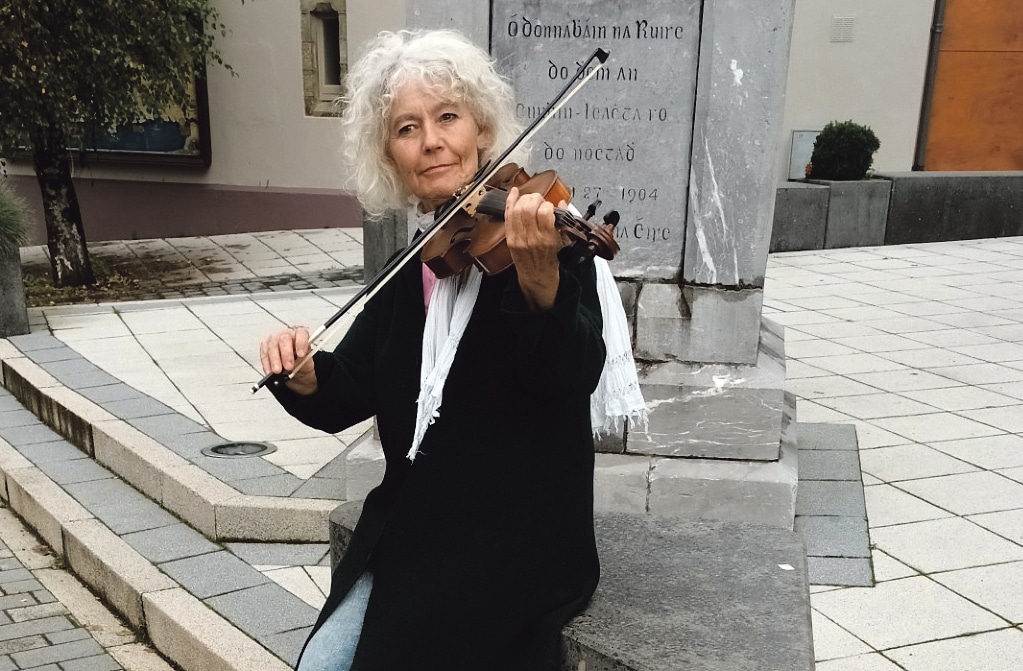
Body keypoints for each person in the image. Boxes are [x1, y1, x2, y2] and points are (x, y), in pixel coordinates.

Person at [260, 29, 644, 671]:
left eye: (447, 117)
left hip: (518, 542)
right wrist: (299, 375)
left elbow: (569, 378)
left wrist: (540, 280)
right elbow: (350, 384)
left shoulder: (546, 242)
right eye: (407, 128)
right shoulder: (420, 260)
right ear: (391, 154)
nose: (431, 140)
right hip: (417, 528)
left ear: (482, 130)